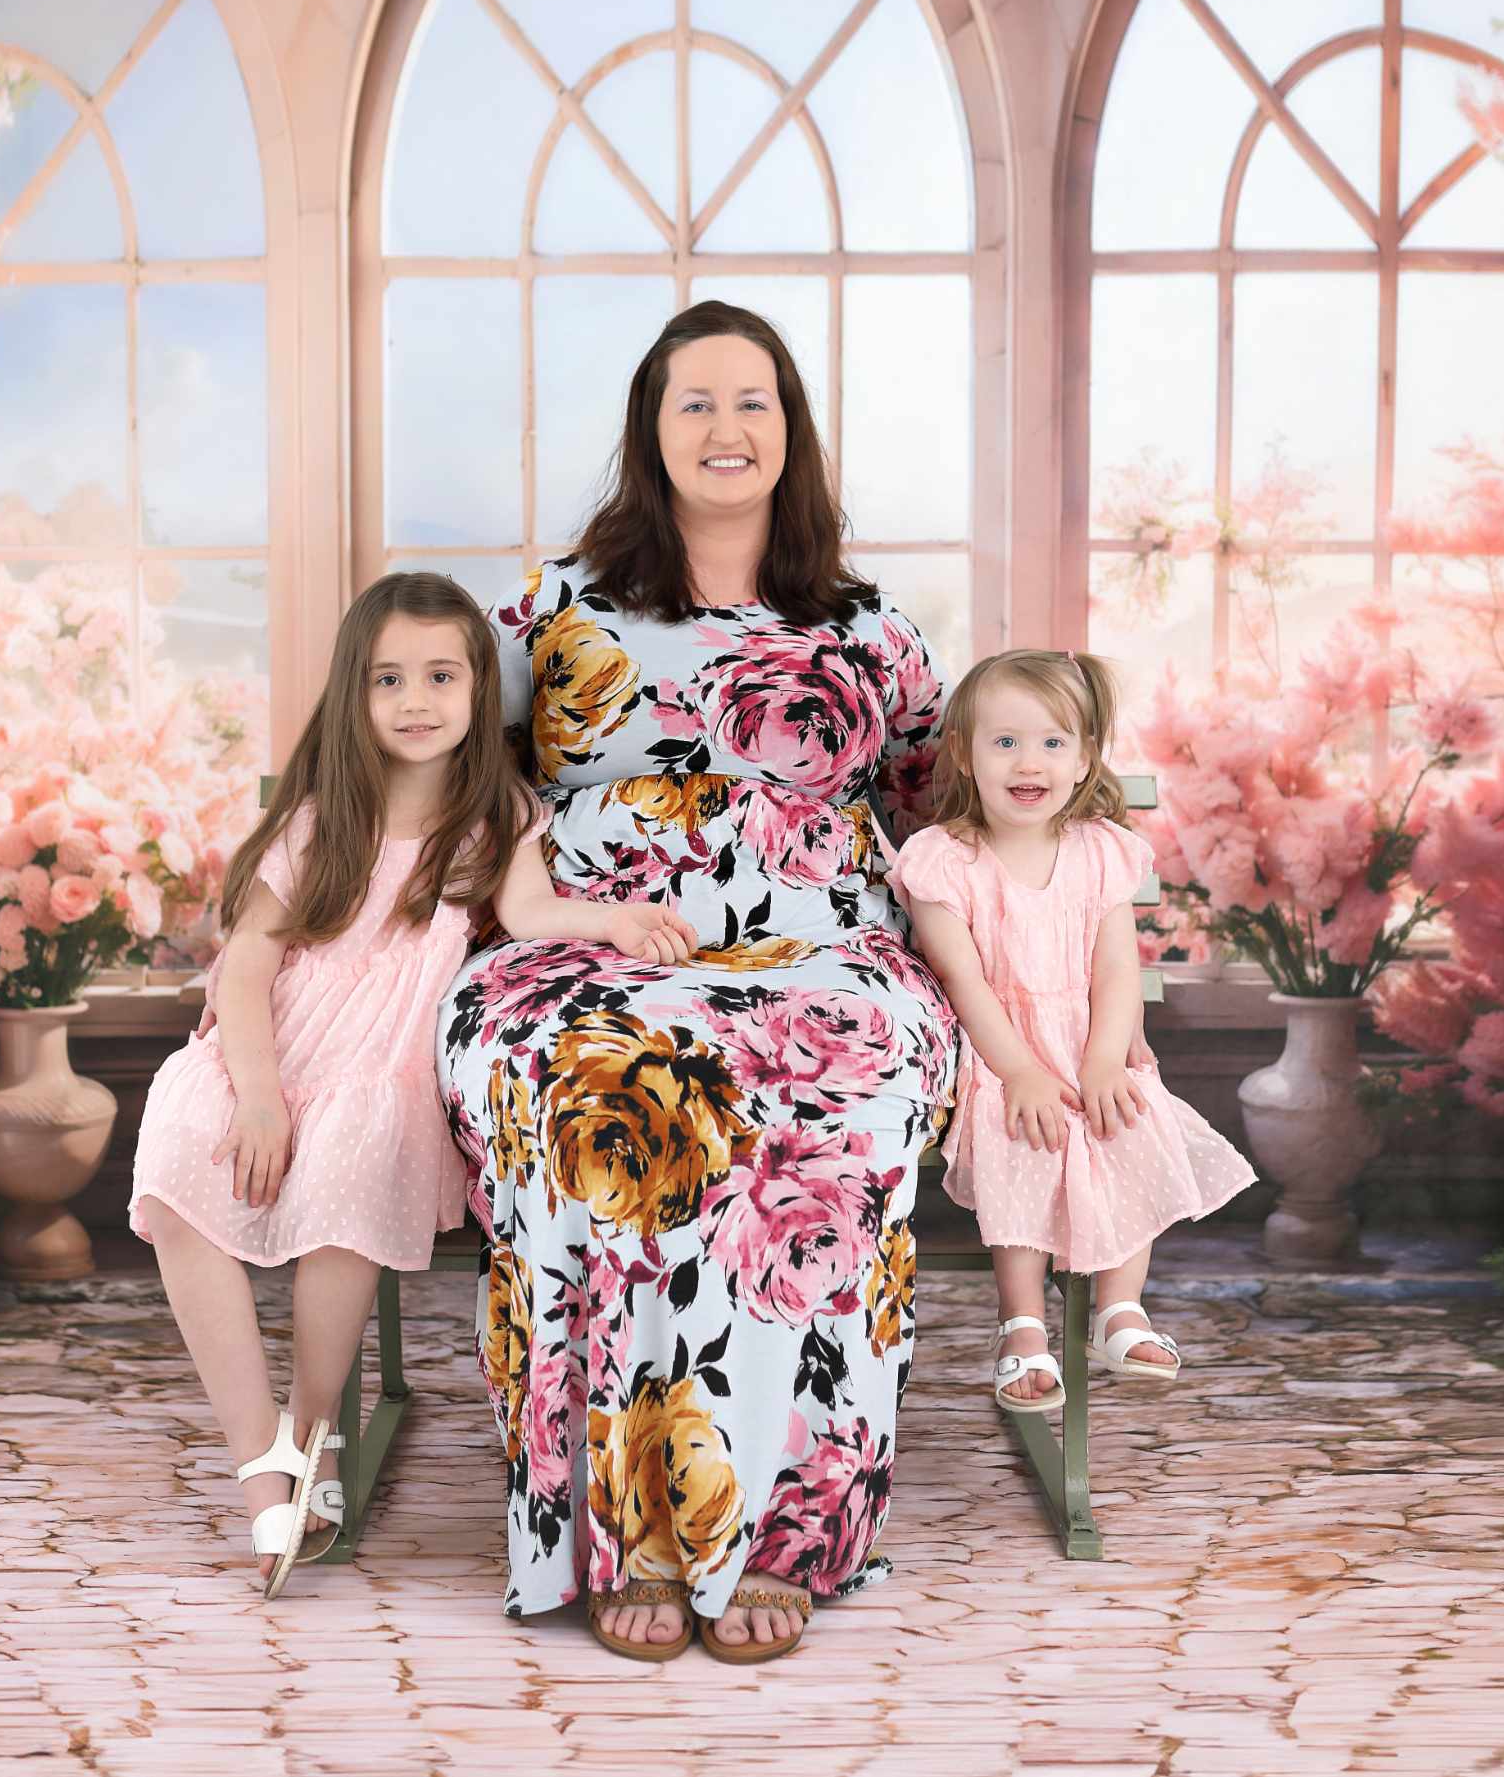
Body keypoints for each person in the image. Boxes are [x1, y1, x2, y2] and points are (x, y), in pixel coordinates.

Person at [438, 299, 962, 1664]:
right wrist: (539, 902)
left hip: (827, 946)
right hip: (583, 942)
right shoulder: (552, 611)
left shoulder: (872, 628)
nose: (727, 430)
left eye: (754, 402)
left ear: (790, 430)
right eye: (696, 403)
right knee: (581, 1082)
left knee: (833, 1089)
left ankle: (774, 1536)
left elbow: (936, 805)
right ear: (650, 430)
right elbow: (454, 773)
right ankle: (628, 1533)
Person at [129, 572, 693, 1598]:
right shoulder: (321, 817)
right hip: (271, 1042)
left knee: (351, 1148)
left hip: (379, 1064)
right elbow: (249, 962)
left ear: (481, 690)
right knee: (175, 1135)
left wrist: (614, 920)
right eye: (389, 678)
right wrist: (256, 1090)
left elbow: (529, 914)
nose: (416, 699)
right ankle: (262, 1456)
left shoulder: (497, 815)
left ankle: (317, 1427)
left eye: (440, 675)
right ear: (356, 693)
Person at [888, 648, 1255, 1414]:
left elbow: (1117, 971)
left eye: (1055, 742)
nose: (1032, 761)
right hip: (1000, 1052)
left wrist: (1103, 1061)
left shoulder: (1098, 852)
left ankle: (1120, 1308)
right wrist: (1019, 1069)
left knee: (1128, 1117)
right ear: (965, 750)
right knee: (1027, 1133)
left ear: (1086, 755)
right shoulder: (945, 861)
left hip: (1091, 1045)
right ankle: (1021, 1323)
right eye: (1007, 741)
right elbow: (964, 979)